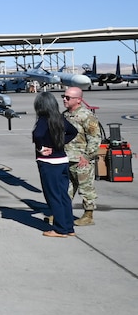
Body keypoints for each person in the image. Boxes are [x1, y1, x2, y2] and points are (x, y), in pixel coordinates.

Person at [32, 91, 78, 238]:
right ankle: (68, 226)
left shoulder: (43, 119)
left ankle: (60, 229)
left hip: (49, 163)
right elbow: (73, 131)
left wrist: (41, 148)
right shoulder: (59, 118)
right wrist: (60, 143)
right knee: (63, 195)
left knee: (53, 196)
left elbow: (37, 134)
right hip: (62, 160)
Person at [62, 86, 100, 226]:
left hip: (81, 160)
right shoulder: (65, 115)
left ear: (78, 100)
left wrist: (87, 157)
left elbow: (95, 138)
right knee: (66, 188)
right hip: (66, 158)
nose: (64, 100)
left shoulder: (86, 116)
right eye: (63, 97)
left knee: (86, 188)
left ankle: (88, 215)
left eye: (68, 98)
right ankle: (62, 214)